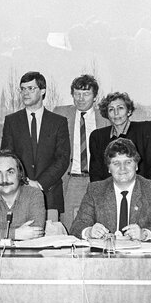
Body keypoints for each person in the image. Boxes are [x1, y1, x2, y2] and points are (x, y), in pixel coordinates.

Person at [70, 138, 151, 241]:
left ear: (136, 165)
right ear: (108, 168)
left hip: (141, 257)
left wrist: (144, 233)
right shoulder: (95, 190)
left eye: (128, 162)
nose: (122, 168)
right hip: (106, 255)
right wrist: (89, 231)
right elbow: (77, 226)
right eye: (116, 163)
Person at [1, 71, 70, 213]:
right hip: (19, 193)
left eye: (31, 88)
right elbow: (7, 158)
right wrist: (24, 182)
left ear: (43, 91)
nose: (25, 93)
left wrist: (40, 184)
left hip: (50, 193)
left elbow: (62, 159)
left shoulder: (58, 122)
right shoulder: (11, 121)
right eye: (23, 89)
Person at [53, 74, 109, 229]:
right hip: (72, 182)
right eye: (77, 94)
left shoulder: (105, 118)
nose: (81, 99)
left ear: (95, 97)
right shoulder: (60, 114)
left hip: (97, 181)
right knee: (71, 226)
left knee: (98, 225)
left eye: (86, 94)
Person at [0, 150, 46, 241]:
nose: (4, 179)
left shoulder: (34, 194)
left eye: (10, 172)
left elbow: (36, 232)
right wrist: (16, 234)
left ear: (20, 174)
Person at [88, 92, 151, 183]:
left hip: (141, 192)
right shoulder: (97, 137)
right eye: (111, 109)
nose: (116, 113)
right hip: (109, 193)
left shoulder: (145, 130)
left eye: (120, 108)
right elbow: (96, 174)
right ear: (107, 114)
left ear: (129, 111)